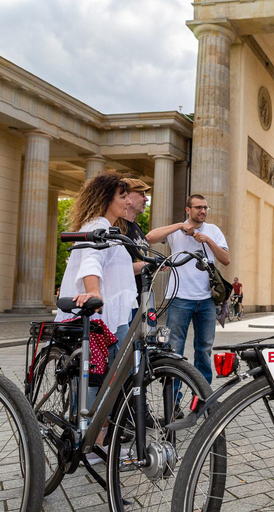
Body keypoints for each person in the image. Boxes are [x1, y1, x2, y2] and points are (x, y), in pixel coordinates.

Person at [55, 172, 135, 454]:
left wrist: (153, 264)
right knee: (106, 380)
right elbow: (91, 260)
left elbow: (116, 267)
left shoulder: (111, 229)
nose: (128, 200)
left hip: (116, 318)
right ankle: (93, 441)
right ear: (106, 199)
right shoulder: (98, 225)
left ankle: (99, 438)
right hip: (105, 318)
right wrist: (94, 292)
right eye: (122, 196)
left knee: (117, 378)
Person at [147, 194, 230, 384]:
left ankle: (202, 396)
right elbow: (150, 237)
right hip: (180, 297)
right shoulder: (177, 230)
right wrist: (179, 226)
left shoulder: (213, 230)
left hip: (207, 299)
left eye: (205, 208)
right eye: (198, 207)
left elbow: (226, 259)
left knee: (204, 349)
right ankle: (173, 400)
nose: (203, 211)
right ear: (188, 210)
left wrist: (208, 240)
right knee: (174, 349)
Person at [118, 177, 151, 318]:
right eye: (142, 194)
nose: (146, 199)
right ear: (127, 196)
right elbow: (116, 268)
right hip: (125, 303)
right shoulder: (116, 228)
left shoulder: (135, 227)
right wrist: (152, 264)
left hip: (141, 299)